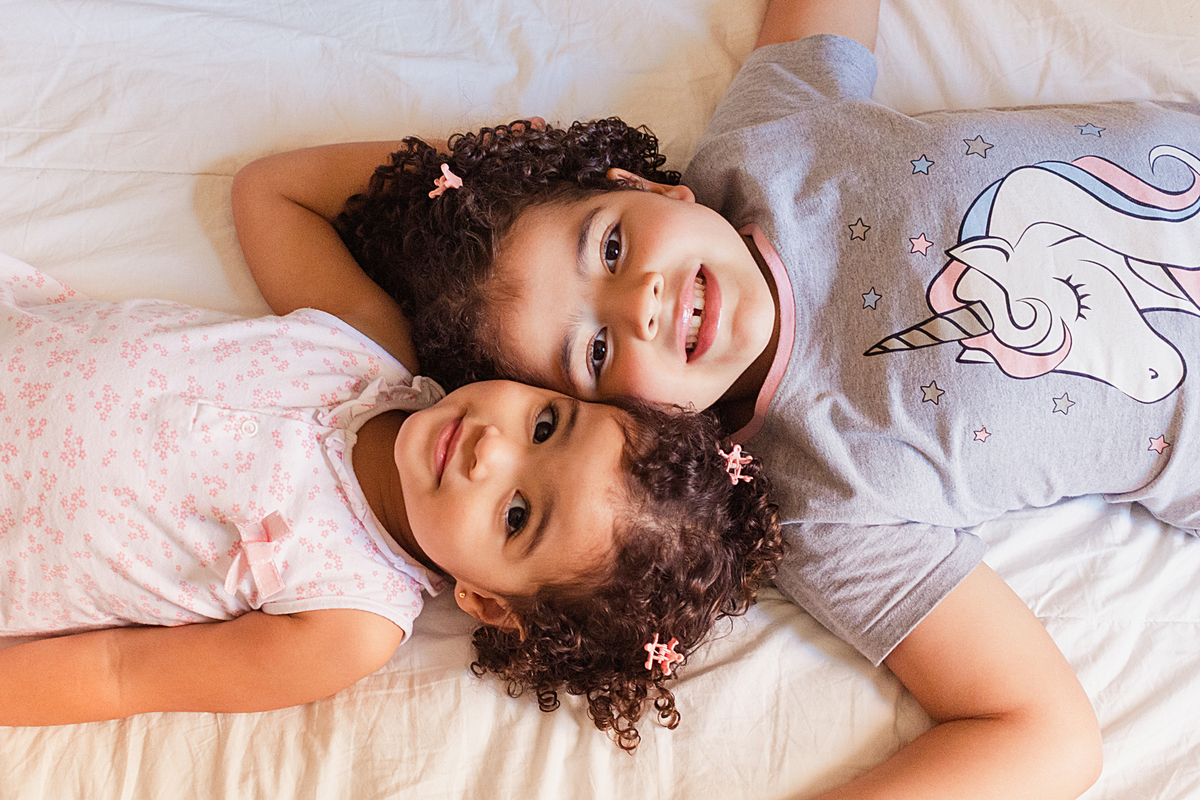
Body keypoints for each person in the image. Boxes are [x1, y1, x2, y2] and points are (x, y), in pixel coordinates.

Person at [286, 0, 1200, 795]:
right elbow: (1048, 738)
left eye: (608, 246)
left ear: (642, 186)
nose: (639, 301)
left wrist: (494, 166)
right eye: (596, 351)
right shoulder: (819, 502)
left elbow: (277, 189)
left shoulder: (764, 140)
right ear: (634, 427)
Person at [0, 255, 784, 752]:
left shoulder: (349, 623)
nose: (491, 449)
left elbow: (120, 673)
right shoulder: (366, 341)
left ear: (486, 601)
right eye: (545, 424)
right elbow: (273, 199)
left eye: (517, 516)